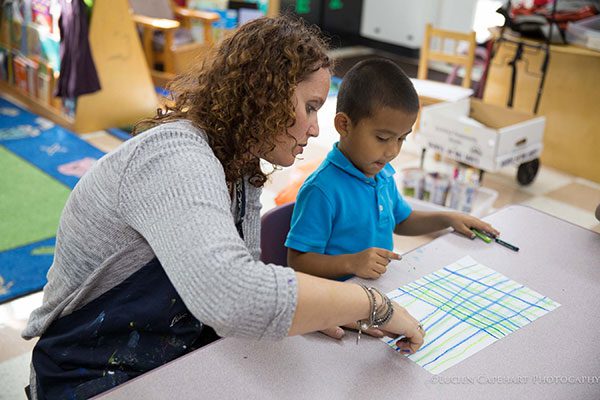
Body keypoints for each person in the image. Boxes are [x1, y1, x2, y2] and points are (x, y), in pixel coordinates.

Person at [22, 17, 425, 400]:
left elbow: (244, 278)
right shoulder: (174, 157)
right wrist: (373, 305)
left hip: (167, 355)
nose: (315, 128)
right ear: (264, 93)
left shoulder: (240, 170)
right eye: (310, 106)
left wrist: (317, 309)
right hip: (87, 371)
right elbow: (233, 295)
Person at [286, 58, 499, 280]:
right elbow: (298, 262)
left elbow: (402, 220)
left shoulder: (382, 173)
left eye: (401, 139)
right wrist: (352, 262)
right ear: (344, 125)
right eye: (383, 138)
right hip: (337, 301)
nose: (392, 151)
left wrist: (448, 219)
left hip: (378, 291)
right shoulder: (322, 190)